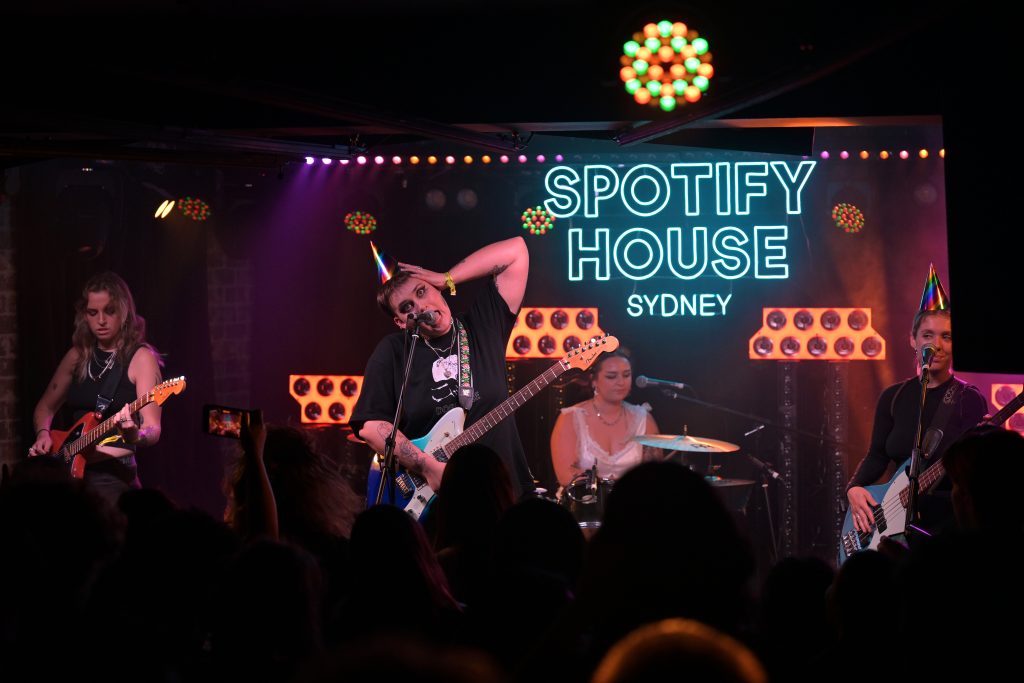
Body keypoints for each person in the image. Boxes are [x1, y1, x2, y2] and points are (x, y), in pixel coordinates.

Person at [350, 236, 534, 499]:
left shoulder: (481, 326)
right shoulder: (393, 352)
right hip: (438, 501)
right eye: (407, 307)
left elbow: (516, 251)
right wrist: (426, 466)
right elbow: (371, 425)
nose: (420, 306)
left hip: (502, 492)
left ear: (436, 289)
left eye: (422, 291)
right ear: (401, 322)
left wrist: (447, 277)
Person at [846, 264, 987, 537]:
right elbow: (877, 456)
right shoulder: (893, 397)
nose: (937, 345)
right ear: (912, 340)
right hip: (894, 525)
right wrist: (854, 488)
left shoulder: (968, 399)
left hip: (948, 525)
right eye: (928, 335)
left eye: (947, 336)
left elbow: (976, 472)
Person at [27, 271, 163, 504]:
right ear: (84, 316)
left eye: (109, 311)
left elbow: (153, 428)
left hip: (112, 476)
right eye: (93, 312)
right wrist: (43, 434)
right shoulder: (77, 356)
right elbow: (44, 409)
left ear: (125, 312)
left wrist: (136, 435)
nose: (101, 320)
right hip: (68, 471)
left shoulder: (141, 358)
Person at [549, 349, 659, 487]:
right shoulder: (570, 418)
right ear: (594, 380)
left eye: (626, 375)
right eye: (611, 376)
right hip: (583, 504)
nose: (621, 382)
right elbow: (565, 477)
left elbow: (655, 476)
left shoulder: (644, 419)